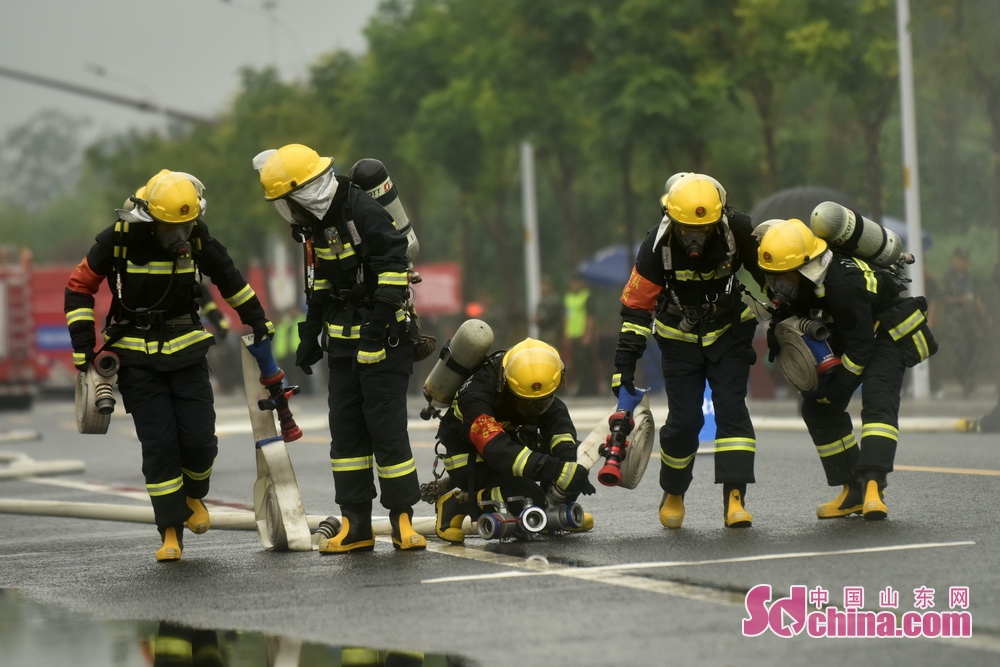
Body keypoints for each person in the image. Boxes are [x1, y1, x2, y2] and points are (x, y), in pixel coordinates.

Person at [64, 170, 274, 562]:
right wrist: (83, 349)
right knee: (160, 446)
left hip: (187, 351)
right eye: (171, 228)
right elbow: (79, 287)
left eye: (186, 226)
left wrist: (257, 320)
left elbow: (228, 277)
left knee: (200, 441)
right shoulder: (119, 239)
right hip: (136, 357)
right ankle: (170, 531)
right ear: (150, 219)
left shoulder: (196, 235)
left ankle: (194, 496)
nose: (180, 235)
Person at [253, 143, 425, 553]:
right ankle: (356, 525)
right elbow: (324, 281)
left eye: (288, 202)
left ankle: (403, 522)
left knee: (387, 433)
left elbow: (394, 270)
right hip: (345, 348)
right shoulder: (319, 223)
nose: (287, 211)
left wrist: (374, 336)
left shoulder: (362, 210)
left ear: (304, 192)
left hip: (385, 342)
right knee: (346, 438)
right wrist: (310, 333)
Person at [611, 173, 765, 529]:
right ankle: (674, 492)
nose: (694, 238)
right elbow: (636, 311)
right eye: (685, 230)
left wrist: (789, 311)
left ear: (719, 219)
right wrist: (624, 369)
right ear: (671, 220)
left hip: (729, 333)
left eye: (702, 229)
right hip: (678, 340)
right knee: (685, 421)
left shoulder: (738, 231)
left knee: (732, 411)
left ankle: (735, 498)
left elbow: (769, 273)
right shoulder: (656, 246)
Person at [756, 217, 934, 520]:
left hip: (886, 333)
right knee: (816, 408)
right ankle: (853, 491)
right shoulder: (803, 283)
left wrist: (836, 391)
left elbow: (861, 349)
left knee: (878, 402)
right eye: (774, 279)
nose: (778, 286)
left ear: (804, 267)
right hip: (852, 336)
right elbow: (791, 318)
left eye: (783, 278)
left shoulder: (842, 284)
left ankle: (874, 488)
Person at [433, 338, 596, 543]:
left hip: (512, 445)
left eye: (543, 401)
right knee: (526, 496)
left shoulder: (539, 390)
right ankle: (457, 504)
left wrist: (569, 463)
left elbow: (559, 427)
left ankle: (551, 512)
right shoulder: (475, 396)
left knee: (579, 458)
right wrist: (554, 470)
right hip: (472, 459)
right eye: (528, 403)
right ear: (507, 386)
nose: (536, 408)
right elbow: (496, 449)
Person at [938, 248, 987, 397]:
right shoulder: (948, 278)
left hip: (971, 321)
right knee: (961, 351)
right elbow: (944, 299)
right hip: (955, 323)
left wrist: (985, 315)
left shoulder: (970, 277)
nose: (962, 263)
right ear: (954, 260)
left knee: (974, 349)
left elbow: (976, 297)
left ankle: (967, 378)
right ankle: (965, 380)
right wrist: (963, 299)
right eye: (959, 260)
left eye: (964, 260)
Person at [563, 276, 596, 395]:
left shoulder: (586, 296)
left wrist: (588, 334)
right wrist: (566, 334)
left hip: (583, 335)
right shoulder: (568, 297)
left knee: (585, 363)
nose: (574, 285)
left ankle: (589, 388)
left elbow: (590, 317)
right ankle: (581, 387)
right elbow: (567, 317)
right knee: (576, 363)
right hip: (573, 335)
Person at [534, 274, 563, 346]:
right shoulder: (542, 301)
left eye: (545, 285)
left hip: (552, 334)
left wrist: (540, 317)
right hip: (542, 333)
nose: (542, 287)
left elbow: (551, 316)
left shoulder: (555, 300)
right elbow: (536, 317)